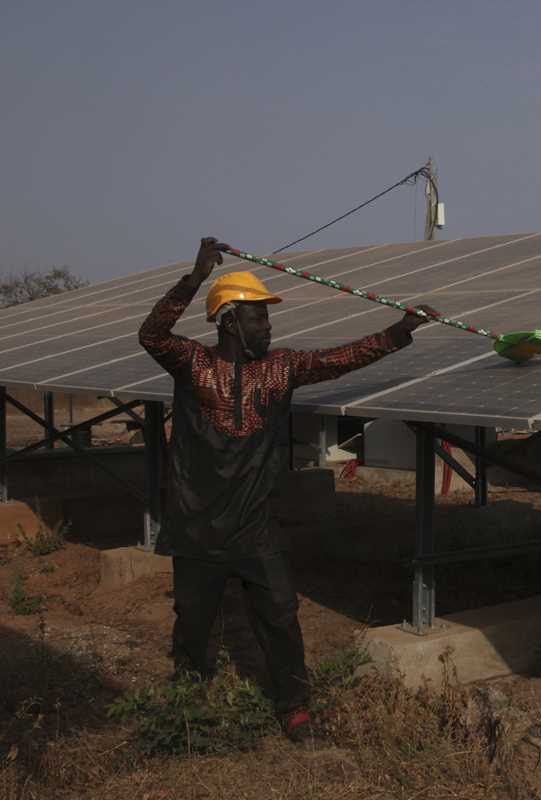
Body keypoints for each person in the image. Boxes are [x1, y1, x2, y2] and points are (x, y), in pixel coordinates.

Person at [138, 237, 437, 742]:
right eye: (258, 317)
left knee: (280, 615)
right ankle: (187, 708)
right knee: (192, 623)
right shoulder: (192, 364)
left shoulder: (280, 370)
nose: (268, 326)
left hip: (255, 526)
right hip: (196, 528)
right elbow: (151, 334)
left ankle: (294, 708)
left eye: (267, 318)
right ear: (229, 321)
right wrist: (194, 279)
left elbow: (340, 359)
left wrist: (399, 332)